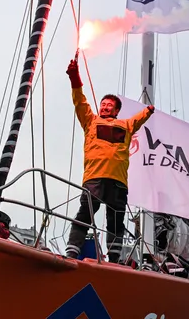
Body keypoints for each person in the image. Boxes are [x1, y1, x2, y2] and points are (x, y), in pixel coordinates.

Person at [64, 58, 155, 263]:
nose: (104, 107)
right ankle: (72, 251)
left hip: (118, 181)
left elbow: (138, 119)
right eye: (103, 104)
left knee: (115, 219)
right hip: (94, 178)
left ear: (116, 110)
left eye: (109, 105)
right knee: (85, 214)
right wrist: (74, 77)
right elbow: (80, 100)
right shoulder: (90, 121)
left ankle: (114, 258)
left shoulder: (126, 125)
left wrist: (148, 111)